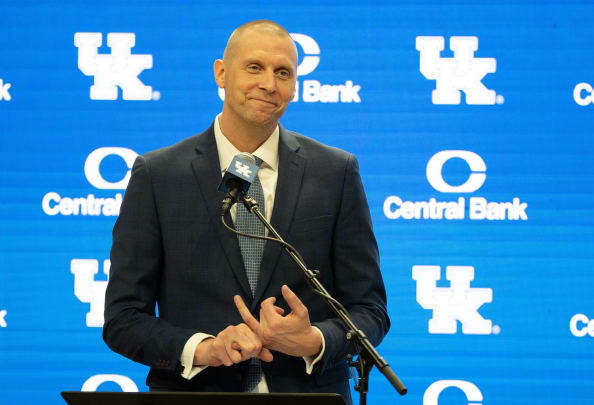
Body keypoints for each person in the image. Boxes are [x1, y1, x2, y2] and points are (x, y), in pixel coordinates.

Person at [103, 20, 389, 404]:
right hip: (195, 395)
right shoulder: (158, 174)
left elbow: (369, 309)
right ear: (221, 72)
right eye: (254, 67)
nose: (269, 85)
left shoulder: (336, 172)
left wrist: (315, 340)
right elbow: (123, 317)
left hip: (308, 396)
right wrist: (202, 348)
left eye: (283, 73)